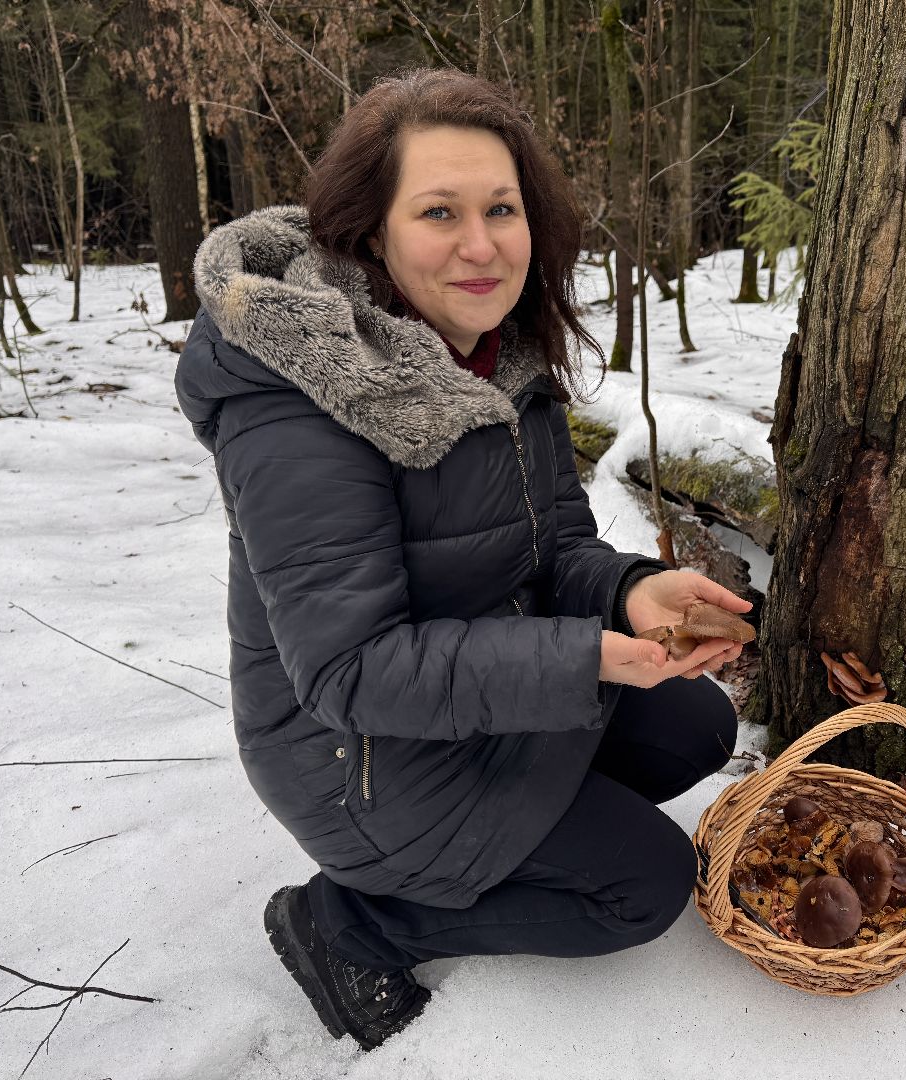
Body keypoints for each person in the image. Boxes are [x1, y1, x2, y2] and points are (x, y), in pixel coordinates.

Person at [174, 68, 750, 1052]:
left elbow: (557, 546)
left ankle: (525, 825)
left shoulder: (498, 357)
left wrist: (630, 589)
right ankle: (353, 923)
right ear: (371, 230)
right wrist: (588, 657)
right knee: (644, 888)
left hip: (466, 695)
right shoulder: (298, 408)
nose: (480, 245)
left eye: (502, 209)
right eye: (439, 211)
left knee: (696, 726)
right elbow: (351, 672)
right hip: (357, 761)